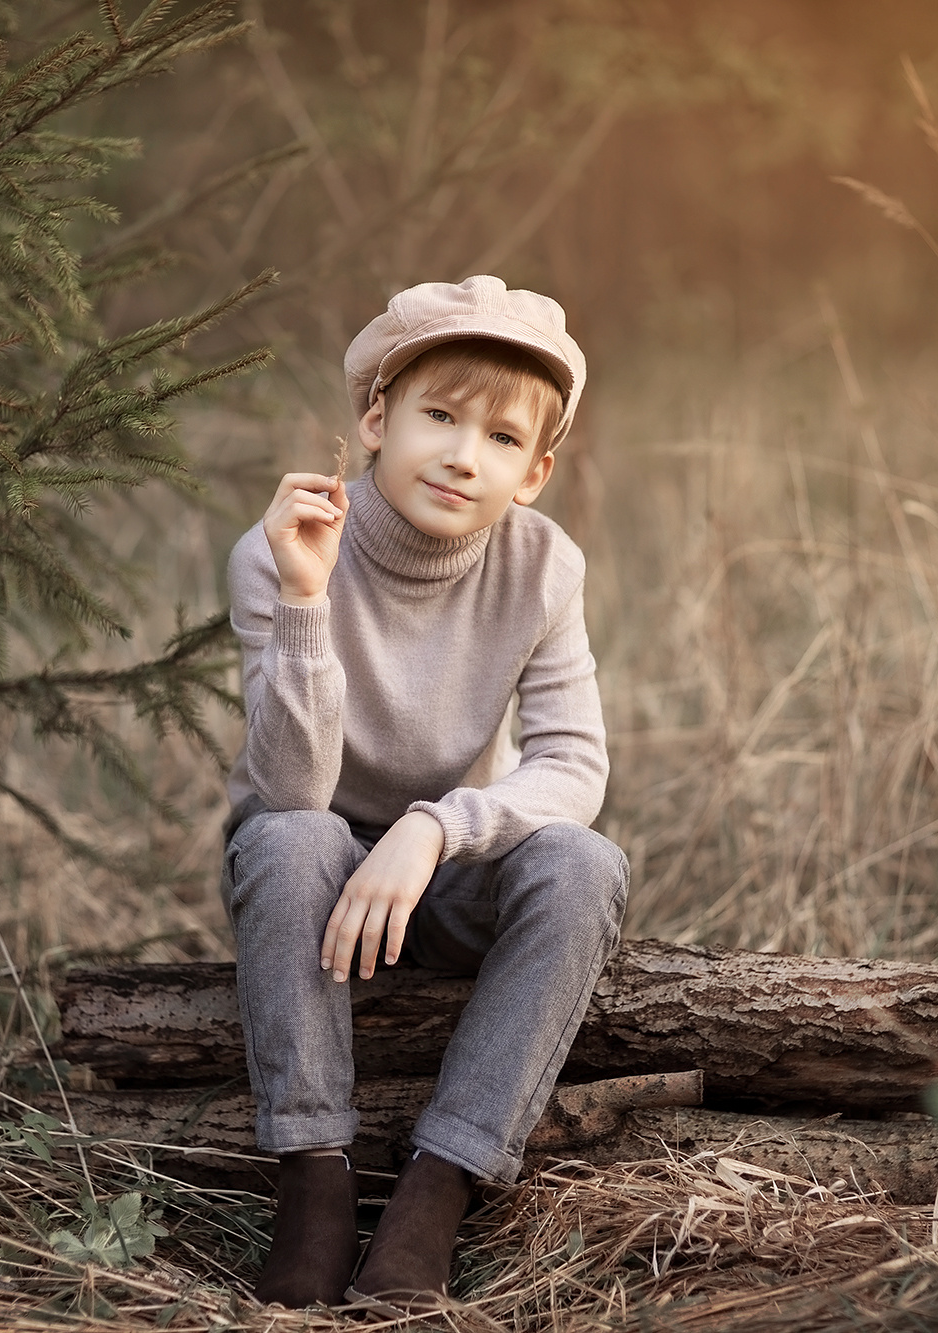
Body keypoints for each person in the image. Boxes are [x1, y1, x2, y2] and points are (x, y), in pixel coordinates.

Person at [222, 275, 627, 1310]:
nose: (460, 454)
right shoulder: (282, 550)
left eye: (499, 438)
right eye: (437, 417)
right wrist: (308, 604)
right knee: (288, 837)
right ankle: (312, 1181)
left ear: (534, 472)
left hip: (441, 869)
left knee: (583, 861)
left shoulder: (542, 565)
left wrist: (436, 827)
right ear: (375, 418)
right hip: (309, 882)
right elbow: (286, 786)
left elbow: (573, 765)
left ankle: (435, 1188)